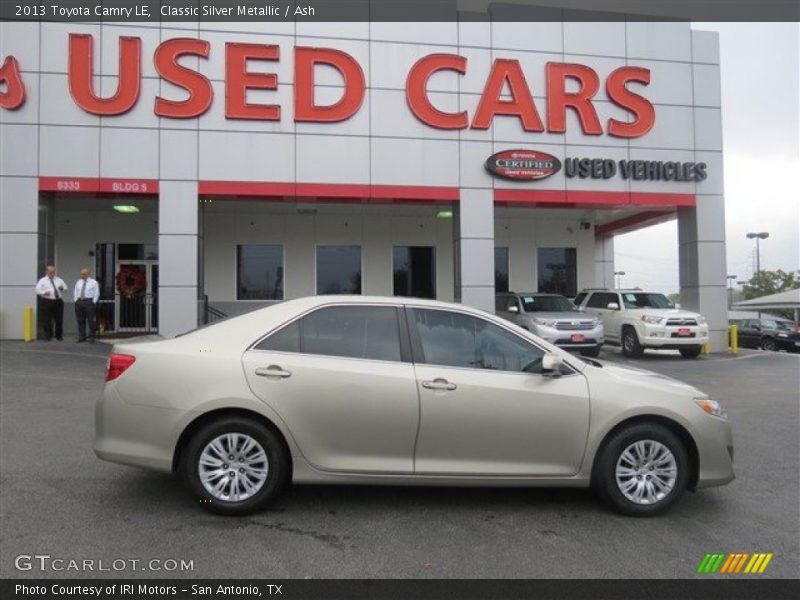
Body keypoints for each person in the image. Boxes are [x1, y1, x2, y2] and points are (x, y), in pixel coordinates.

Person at [35, 265, 68, 341]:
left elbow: (66, 289)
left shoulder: (59, 280)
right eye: (50, 272)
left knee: (59, 319)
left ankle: (59, 336)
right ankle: (48, 336)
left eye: (53, 272)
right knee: (47, 320)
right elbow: (37, 290)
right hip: (47, 301)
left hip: (58, 301)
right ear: (46, 272)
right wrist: (43, 292)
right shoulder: (42, 280)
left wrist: (62, 289)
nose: (52, 274)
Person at [73, 268, 100, 343]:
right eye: (81, 274)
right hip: (79, 302)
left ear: (88, 274)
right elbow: (75, 291)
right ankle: (82, 337)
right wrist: (76, 300)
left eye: (83, 274)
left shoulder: (93, 282)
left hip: (89, 302)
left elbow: (96, 293)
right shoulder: (78, 282)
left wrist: (93, 302)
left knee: (91, 320)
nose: (82, 275)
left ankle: (92, 337)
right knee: (80, 320)